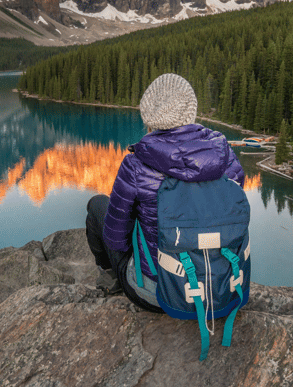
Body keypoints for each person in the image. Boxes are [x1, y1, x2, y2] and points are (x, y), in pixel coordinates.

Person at [86, 73, 245, 311]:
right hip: (220, 287)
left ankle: (110, 277)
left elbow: (115, 239)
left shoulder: (136, 165)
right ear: (191, 110)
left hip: (156, 294)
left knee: (97, 205)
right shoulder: (224, 156)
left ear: (150, 116)